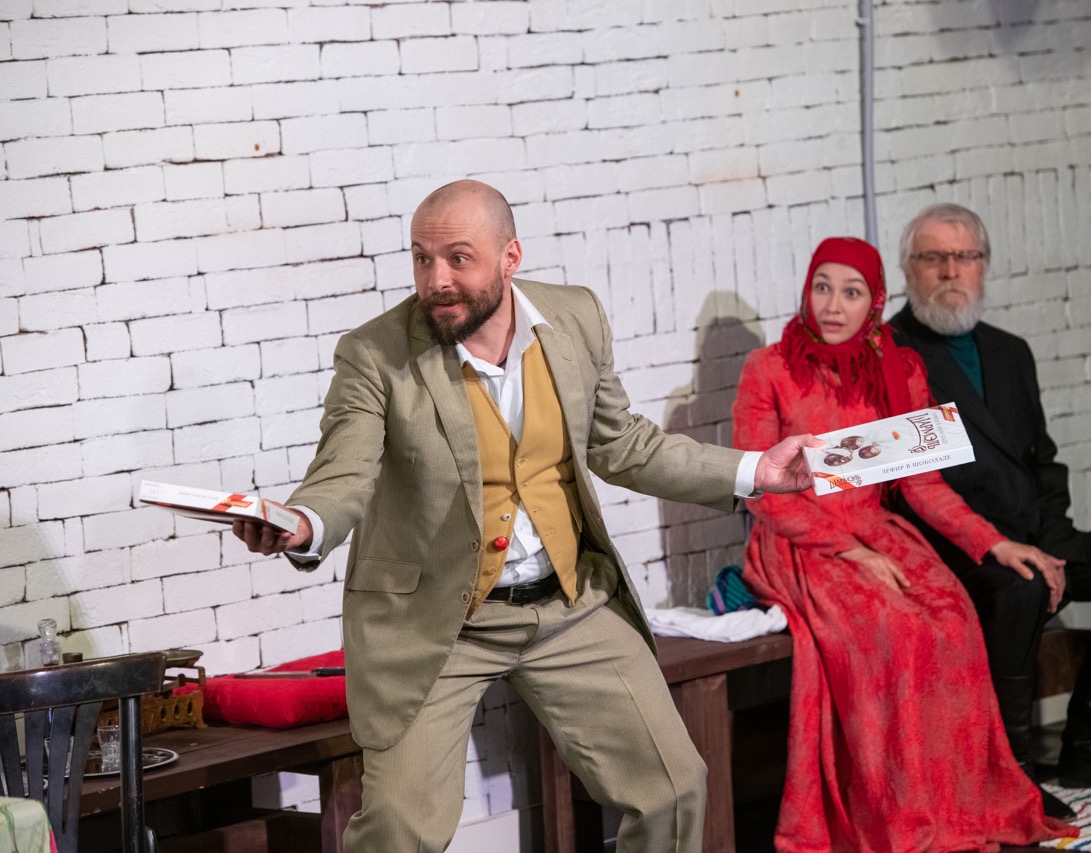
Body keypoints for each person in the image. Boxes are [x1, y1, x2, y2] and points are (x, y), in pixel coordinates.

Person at [231, 179, 820, 852]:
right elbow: (343, 474)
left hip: (568, 603)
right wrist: (303, 524)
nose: (436, 279)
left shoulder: (575, 318)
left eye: (458, 258)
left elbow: (622, 444)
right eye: (422, 258)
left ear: (510, 257)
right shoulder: (375, 354)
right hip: (437, 623)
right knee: (398, 832)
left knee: (673, 789)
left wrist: (756, 471)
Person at [732, 236, 1076, 852]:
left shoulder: (901, 368)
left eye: (851, 292)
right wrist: (850, 550)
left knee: (952, 619)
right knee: (891, 628)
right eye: (822, 287)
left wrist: (994, 544)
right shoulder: (769, 368)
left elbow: (922, 485)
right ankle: (895, 814)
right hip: (801, 539)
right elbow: (761, 490)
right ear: (807, 290)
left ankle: (952, 806)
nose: (833, 305)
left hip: (877, 529)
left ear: (874, 302)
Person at [888, 203, 1091, 803]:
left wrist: (1056, 547)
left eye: (965, 256)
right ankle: (1012, 773)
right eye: (933, 257)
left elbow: (1042, 462)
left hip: (1030, 537)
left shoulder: (1009, 352)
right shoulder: (892, 354)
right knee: (1021, 589)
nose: (951, 270)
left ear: (985, 265)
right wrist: (1011, 550)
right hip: (955, 548)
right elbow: (915, 487)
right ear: (908, 269)